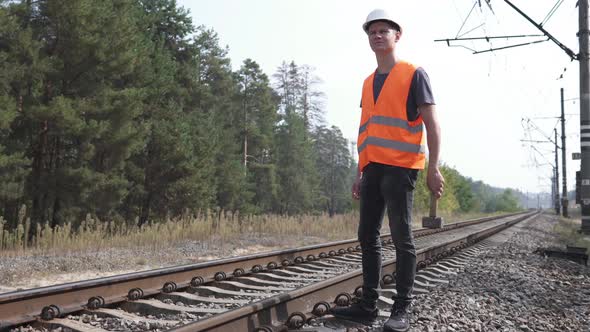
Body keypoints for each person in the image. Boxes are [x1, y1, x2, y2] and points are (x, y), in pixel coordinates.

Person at [330, 8, 445, 332]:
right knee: (367, 235)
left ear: (398, 36)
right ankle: (368, 305)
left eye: (383, 31)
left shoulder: (414, 74)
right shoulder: (368, 82)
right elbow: (366, 129)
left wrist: (432, 167)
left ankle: (401, 309)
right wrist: (359, 170)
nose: (377, 36)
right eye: (372, 32)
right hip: (373, 168)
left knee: (401, 237)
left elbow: (432, 124)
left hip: (402, 167)